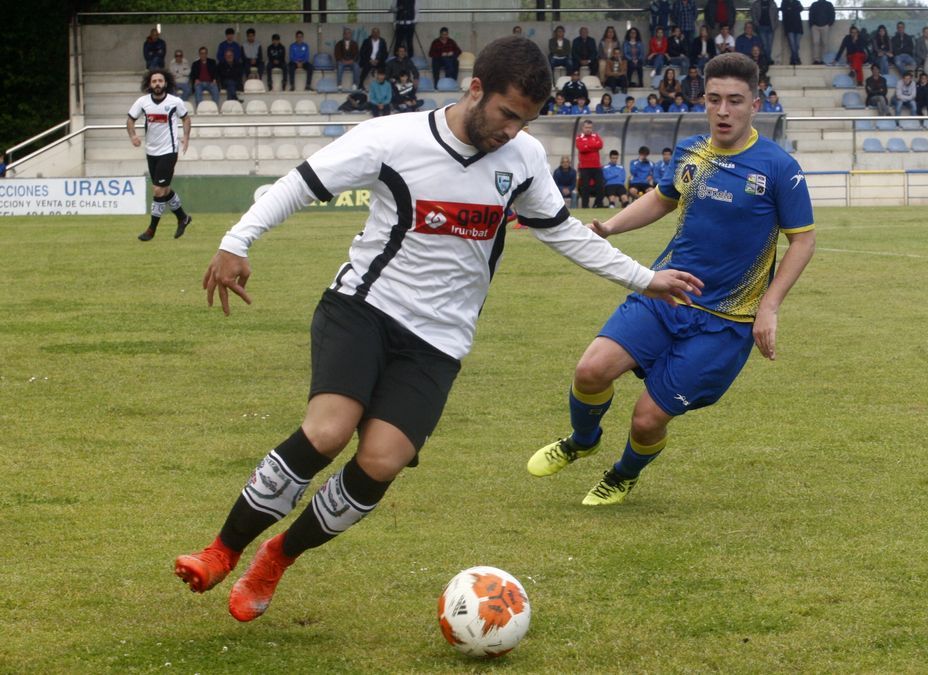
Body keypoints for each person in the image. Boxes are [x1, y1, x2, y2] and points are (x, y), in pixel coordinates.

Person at [172, 36, 700, 622]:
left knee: (382, 461)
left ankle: (277, 558)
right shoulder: (391, 139)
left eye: (524, 121)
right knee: (328, 430)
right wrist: (234, 243)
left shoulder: (522, 160)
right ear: (475, 89)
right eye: (505, 115)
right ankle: (221, 550)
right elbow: (300, 183)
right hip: (364, 308)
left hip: (439, 340)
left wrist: (645, 278)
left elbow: (565, 232)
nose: (511, 132)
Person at [527, 51, 814, 505]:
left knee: (646, 419)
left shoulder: (778, 168)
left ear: (755, 105)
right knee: (590, 370)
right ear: (704, 100)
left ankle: (622, 474)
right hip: (666, 294)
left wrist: (770, 308)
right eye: (715, 99)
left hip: (726, 322)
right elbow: (662, 199)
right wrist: (607, 227)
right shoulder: (692, 152)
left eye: (735, 101)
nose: (723, 110)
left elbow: (803, 242)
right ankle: (582, 440)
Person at [127, 69, 192, 241]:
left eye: (160, 81)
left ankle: (151, 229)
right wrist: (133, 135)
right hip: (151, 152)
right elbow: (130, 119)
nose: (157, 84)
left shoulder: (174, 101)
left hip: (169, 150)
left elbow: (186, 118)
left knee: (157, 189)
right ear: (149, 84)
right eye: (154, 81)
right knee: (165, 189)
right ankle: (183, 218)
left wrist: (186, 137)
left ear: (166, 83)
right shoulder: (142, 102)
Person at [577, 119, 605, 208]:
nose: (588, 129)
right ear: (583, 128)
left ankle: (598, 204)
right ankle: (585, 206)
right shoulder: (579, 137)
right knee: (585, 187)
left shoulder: (596, 136)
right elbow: (581, 148)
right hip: (584, 167)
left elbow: (600, 145)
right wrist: (593, 146)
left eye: (590, 127)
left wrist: (587, 146)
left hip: (596, 166)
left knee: (600, 186)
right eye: (586, 127)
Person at [750, 0, 778, 65]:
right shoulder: (756, 3)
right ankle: (768, 59)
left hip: (771, 27)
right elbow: (753, 14)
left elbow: (776, 15)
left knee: (769, 45)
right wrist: (757, 24)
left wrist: (775, 25)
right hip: (761, 27)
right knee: (764, 45)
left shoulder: (772, 3)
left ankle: (767, 59)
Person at [809, 0, 835, 64]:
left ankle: (824, 60)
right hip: (815, 26)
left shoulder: (829, 4)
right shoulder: (814, 4)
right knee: (816, 43)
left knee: (825, 43)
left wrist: (829, 24)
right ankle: (816, 60)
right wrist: (812, 24)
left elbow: (832, 14)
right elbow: (810, 14)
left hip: (825, 25)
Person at [780, 0, 804, 66]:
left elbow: (801, 9)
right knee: (793, 45)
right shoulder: (784, 2)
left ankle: (793, 59)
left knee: (797, 45)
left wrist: (790, 8)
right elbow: (784, 12)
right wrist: (793, 8)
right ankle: (797, 59)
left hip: (798, 27)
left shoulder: (797, 1)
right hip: (789, 27)